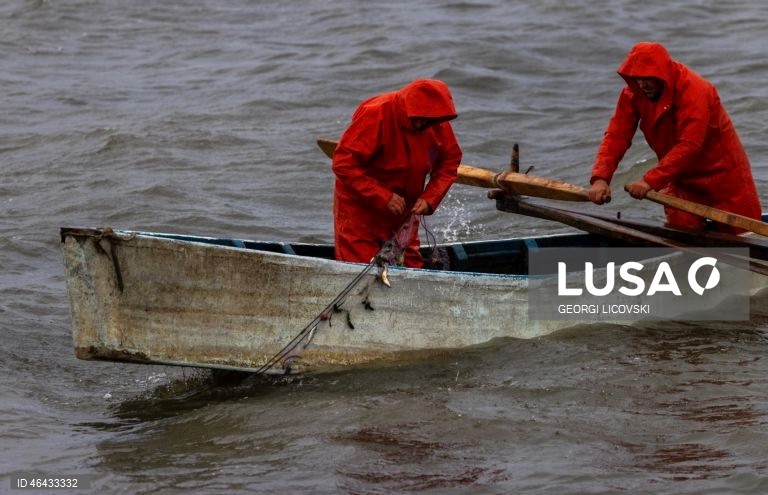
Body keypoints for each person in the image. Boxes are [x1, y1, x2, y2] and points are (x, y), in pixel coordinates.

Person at [588, 41, 761, 234]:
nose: (642, 84)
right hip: (680, 178)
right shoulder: (633, 94)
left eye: (647, 78)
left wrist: (649, 181)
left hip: (724, 177)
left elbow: (689, 145)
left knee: (746, 239)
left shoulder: (695, 90)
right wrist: (600, 178)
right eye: (637, 78)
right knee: (681, 234)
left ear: (661, 74)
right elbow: (616, 136)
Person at [331, 79, 462, 268]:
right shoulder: (377, 113)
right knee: (359, 269)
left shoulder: (435, 121)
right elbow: (343, 162)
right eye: (420, 118)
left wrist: (430, 198)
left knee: (411, 268)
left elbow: (449, 162)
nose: (424, 123)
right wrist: (382, 196)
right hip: (361, 211)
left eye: (429, 120)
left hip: (405, 212)